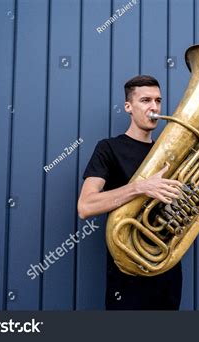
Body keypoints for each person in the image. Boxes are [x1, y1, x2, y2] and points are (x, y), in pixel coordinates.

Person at [77, 75, 184, 310]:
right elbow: (85, 206)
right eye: (145, 100)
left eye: (158, 100)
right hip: (127, 271)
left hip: (167, 268)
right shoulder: (108, 148)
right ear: (128, 107)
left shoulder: (172, 154)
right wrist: (140, 187)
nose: (154, 107)